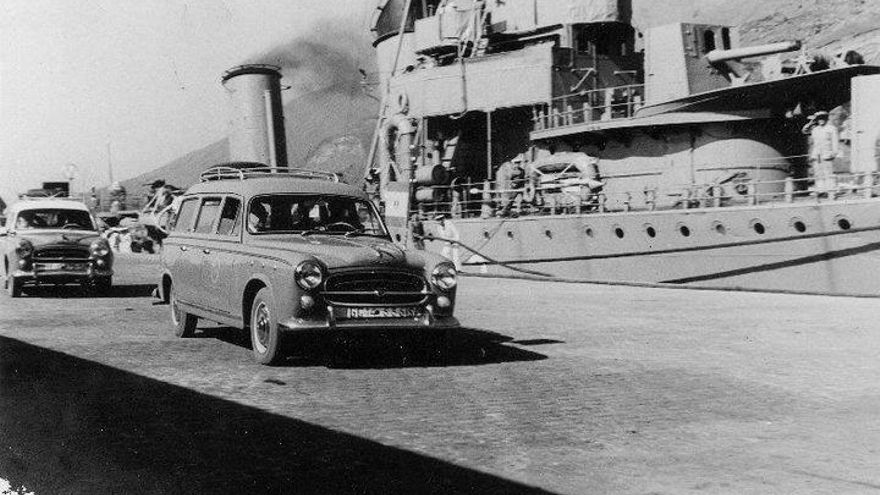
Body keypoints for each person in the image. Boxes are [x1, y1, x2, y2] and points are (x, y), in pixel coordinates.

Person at [802, 111, 840, 195]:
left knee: (828, 172)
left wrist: (834, 153)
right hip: (817, 155)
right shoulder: (815, 129)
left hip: (827, 154)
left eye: (823, 118)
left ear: (826, 119)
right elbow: (804, 130)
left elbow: (835, 141)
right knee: (818, 173)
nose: (821, 120)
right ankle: (821, 191)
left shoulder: (831, 128)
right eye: (819, 119)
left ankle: (830, 190)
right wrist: (811, 122)